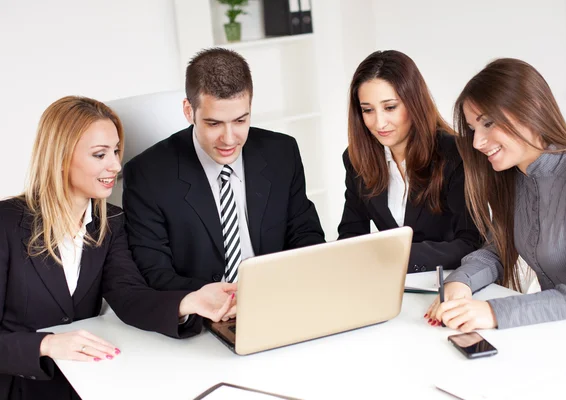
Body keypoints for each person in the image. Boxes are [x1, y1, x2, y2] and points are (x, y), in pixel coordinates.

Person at [0, 96, 236, 400]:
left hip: (86, 382)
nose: (115, 165)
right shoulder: (5, 223)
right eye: (100, 155)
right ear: (59, 157)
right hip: (18, 387)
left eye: (115, 151)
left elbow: (128, 295)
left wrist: (190, 302)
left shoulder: (110, 222)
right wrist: (45, 344)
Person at [122, 47, 325, 293]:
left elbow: (305, 235)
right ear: (189, 111)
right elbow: (154, 272)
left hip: (280, 296)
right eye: (214, 123)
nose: (229, 139)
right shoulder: (147, 175)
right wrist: (224, 299)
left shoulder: (282, 152)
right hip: (204, 312)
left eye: (240, 121)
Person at [426, 58, 566, 330]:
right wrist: (460, 282)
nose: (477, 142)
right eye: (473, 129)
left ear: (531, 110)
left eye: (488, 123)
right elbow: (497, 249)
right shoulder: (515, 178)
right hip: (560, 336)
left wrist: (495, 313)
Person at [338, 50, 482, 272]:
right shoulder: (357, 158)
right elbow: (351, 235)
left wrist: (394, 255)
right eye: (368, 110)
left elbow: (471, 243)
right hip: (391, 286)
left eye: (390, 107)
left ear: (414, 103)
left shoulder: (456, 154)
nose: (379, 123)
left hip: (452, 284)